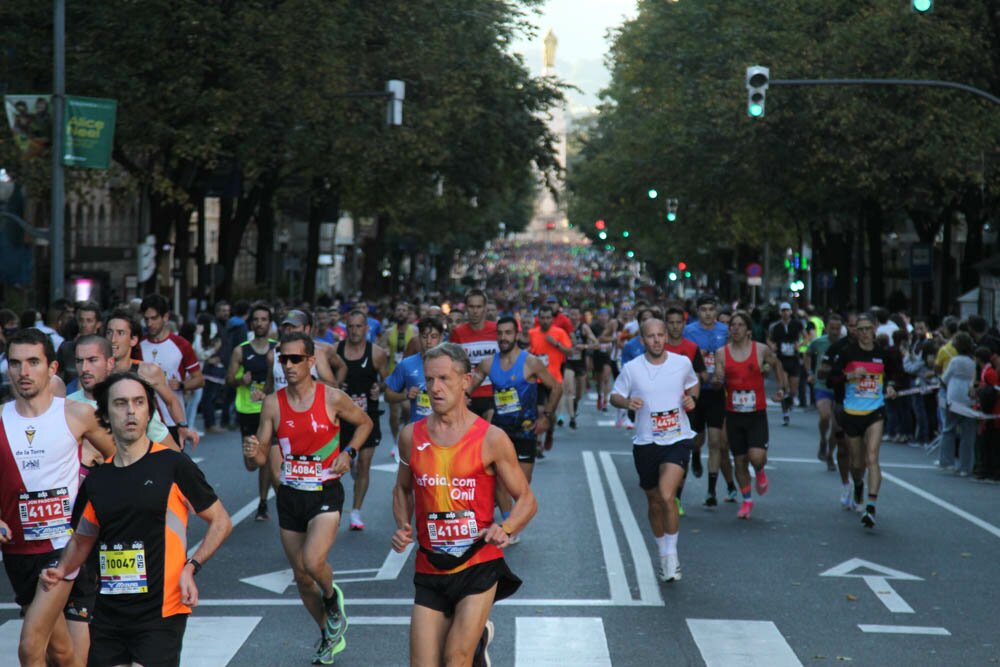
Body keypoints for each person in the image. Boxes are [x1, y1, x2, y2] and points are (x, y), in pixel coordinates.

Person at [41, 372, 232, 667]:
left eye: (139, 402)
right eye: (120, 403)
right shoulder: (97, 480)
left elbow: (220, 520)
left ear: (149, 412)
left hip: (161, 611)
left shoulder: (172, 464)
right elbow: (82, 539)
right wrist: (61, 569)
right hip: (109, 613)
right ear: (105, 414)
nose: (130, 410)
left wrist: (191, 568)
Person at [391, 343, 536, 667]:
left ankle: (473, 641)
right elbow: (401, 489)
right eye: (429, 380)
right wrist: (402, 525)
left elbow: (526, 499)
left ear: (466, 381)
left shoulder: (491, 438)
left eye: (444, 378)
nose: (435, 387)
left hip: (478, 562)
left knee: (455, 657)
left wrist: (507, 527)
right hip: (430, 565)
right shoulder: (410, 436)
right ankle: (479, 639)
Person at [243, 332, 373, 665]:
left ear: (311, 361)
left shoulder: (331, 398)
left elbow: (365, 423)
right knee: (301, 578)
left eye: (295, 359)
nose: (287, 365)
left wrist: (349, 452)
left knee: (314, 562)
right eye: (283, 359)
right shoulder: (273, 403)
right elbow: (257, 461)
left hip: (326, 491)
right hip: (289, 495)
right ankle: (329, 634)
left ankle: (332, 598)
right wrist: (253, 453)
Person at [0, 328, 116, 667]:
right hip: (17, 550)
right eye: (16, 363)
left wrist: (99, 515)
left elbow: (119, 462)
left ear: (51, 368)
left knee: (29, 647)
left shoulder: (76, 414)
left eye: (33, 362)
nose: (24, 372)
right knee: (61, 653)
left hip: (64, 547)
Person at [610, 319, 699, 582]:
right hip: (646, 442)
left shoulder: (681, 363)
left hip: (678, 438)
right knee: (654, 501)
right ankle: (662, 551)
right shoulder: (632, 368)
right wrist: (627, 401)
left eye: (661, 335)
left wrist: (691, 398)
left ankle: (671, 556)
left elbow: (693, 384)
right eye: (651, 336)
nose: (657, 340)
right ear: (643, 340)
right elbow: (615, 394)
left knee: (666, 494)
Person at [469, 316, 561, 541]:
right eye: (499, 334)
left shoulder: (530, 362)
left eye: (508, 333)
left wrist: (546, 417)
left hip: (525, 431)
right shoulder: (488, 363)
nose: (503, 338)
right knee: (499, 480)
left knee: (520, 485)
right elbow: (467, 389)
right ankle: (509, 525)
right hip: (500, 432)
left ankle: (511, 519)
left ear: (517, 335)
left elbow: (556, 388)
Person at [714, 312, 787, 520]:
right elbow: (718, 379)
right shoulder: (722, 353)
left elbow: (777, 364)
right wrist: (718, 380)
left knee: (756, 457)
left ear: (748, 330)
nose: (735, 328)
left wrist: (781, 388)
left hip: (756, 414)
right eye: (732, 325)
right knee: (739, 461)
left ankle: (761, 471)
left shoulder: (760, 349)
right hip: (734, 414)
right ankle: (747, 501)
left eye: (739, 325)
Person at [828, 313, 898, 528]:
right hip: (852, 412)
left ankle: (870, 506)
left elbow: (892, 374)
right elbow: (831, 379)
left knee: (872, 458)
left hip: (875, 411)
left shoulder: (882, 353)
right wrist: (849, 376)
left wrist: (890, 386)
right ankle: (858, 484)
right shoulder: (847, 352)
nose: (866, 333)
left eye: (869, 328)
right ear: (855, 332)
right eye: (861, 329)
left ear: (875, 329)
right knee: (857, 463)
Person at [106, 308, 200, 450]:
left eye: (120, 333)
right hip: (109, 442)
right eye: (109, 332)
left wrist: (182, 426)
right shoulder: (97, 372)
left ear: (133, 340)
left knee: (181, 465)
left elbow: (171, 401)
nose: (113, 339)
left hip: (147, 438)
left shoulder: (147, 371)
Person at [337, 310, 389, 531]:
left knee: (364, 464)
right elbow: (325, 380)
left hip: (368, 418)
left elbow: (388, 380)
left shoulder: (376, 353)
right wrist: (336, 387)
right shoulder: (336, 353)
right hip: (340, 420)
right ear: (346, 328)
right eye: (351, 327)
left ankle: (355, 512)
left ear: (367, 329)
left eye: (359, 326)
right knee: (342, 465)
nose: (355, 331)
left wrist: (380, 388)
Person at [227, 302, 279, 521]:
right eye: (256, 319)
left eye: (264, 319)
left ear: (269, 323)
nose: (259, 323)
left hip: (270, 411)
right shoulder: (241, 350)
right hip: (247, 411)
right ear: (251, 323)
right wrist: (241, 380)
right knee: (251, 463)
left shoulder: (278, 349)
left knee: (266, 457)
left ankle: (263, 503)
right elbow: (229, 379)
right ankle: (264, 500)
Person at [683, 296, 733, 498]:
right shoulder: (689, 331)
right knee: (697, 440)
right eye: (703, 309)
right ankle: (695, 454)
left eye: (711, 309)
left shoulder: (724, 331)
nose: (708, 313)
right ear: (697, 311)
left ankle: (711, 490)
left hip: (716, 391)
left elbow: (731, 357)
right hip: (695, 393)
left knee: (716, 442)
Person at [139, 294, 205, 446]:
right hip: (146, 420)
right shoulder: (138, 346)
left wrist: (182, 385)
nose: (149, 323)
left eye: (154, 318)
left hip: (173, 420)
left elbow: (199, 380)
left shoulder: (182, 345)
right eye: (146, 319)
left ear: (165, 317)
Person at [528, 304, 572, 454]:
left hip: (554, 380)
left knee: (550, 413)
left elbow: (570, 351)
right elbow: (529, 352)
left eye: (548, 318)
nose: (545, 320)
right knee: (539, 411)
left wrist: (557, 344)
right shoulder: (532, 333)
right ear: (538, 319)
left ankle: (550, 432)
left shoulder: (559, 333)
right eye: (542, 318)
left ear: (552, 319)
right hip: (538, 379)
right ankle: (538, 444)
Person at [386, 317, 446, 427]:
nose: (428, 342)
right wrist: (406, 395)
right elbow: (388, 395)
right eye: (424, 337)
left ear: (441, 338)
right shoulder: (406, 364)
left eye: (433, 337)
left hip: (447, 429)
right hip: (419, 429)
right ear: (418, 338)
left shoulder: (452, 363)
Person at [449, 289, 499, 420]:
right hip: (469, 394)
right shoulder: (457, 333)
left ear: (485, 308)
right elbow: (453, 365)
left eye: (479, 307)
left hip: (493, 393)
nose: (475, 311)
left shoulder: (497, 330)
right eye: (471, 307)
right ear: (466, 308)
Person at [806, 314, 844, 469]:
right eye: (832, 328)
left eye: (837, 328)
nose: (834, 331)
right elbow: (808, 354)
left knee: (837, 427)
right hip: (822, 385)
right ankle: (823, 439)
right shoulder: (819, 342)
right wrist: (810, 372)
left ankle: (830, 454)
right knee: (825, 415)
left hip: (840, 386)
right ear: (827, 328)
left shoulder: (845, 343)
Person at [380, 302, 420, 447]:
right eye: (398, 310)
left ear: (408, 313)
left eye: (404, 310)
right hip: (393, 374)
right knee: (393, 414)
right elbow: (380, 348)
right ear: (394, 313)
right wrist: (385, 351)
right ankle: (396, 440)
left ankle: (405, 437)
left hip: (409, 375)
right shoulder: (389, 332)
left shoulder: (415, 331)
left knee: (407, 408)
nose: (401, 313)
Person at [938, 332, 977, 476]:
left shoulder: (955, 361)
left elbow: (945, 378)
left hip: (954, 395)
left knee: (949, 429)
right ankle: (966, 465)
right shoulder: (973, 361)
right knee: (968, 433)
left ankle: (946, 461)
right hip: (969, 396)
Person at [768, 302, 804, 426]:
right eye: (783, 310)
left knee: (793, 391)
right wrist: (772, 346)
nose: (785, 312)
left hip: (794, 359)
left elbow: (807, 337)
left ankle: (789, 402)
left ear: (791, 312)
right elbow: (769, 339)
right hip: (781, 360)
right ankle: (785, 414)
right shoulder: (776, 326)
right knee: (783, 388)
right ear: (780, 312)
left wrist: (799, 345)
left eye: (787, 310)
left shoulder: (797, 324)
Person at [562, 307, 597, 429]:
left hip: (580, 363)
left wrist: (585, 346)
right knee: (569, 390)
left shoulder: (584, 327)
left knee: (579, 394)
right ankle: (572, 418)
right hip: (568, 362)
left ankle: (575, 403)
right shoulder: (565, 328)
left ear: (579, 316)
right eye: (571, 315)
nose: (574, 317)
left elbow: (596, 343)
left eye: (576, 315)